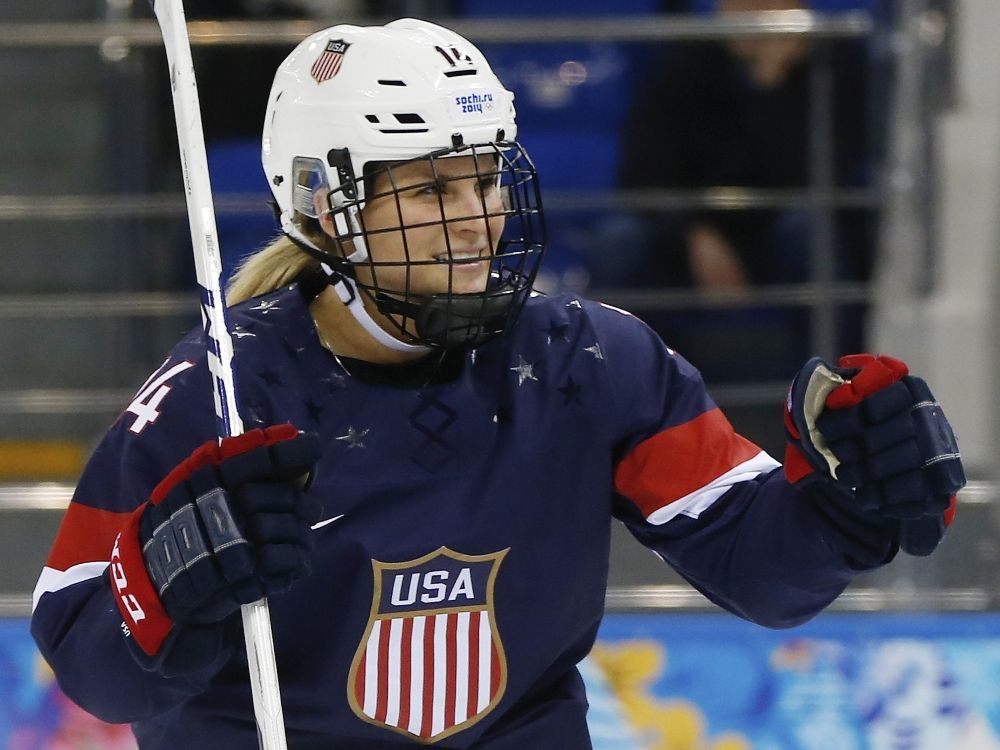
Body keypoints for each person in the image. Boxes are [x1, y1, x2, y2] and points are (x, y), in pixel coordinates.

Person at [30, 18, 964, 749]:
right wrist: (162, 583)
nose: (476, 221)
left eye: (485, 183)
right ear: (324, 206)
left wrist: (844, 510)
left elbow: (766, 575)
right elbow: (91, 666)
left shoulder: (594, 365)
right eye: (432, 191)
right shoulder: (214, 394)